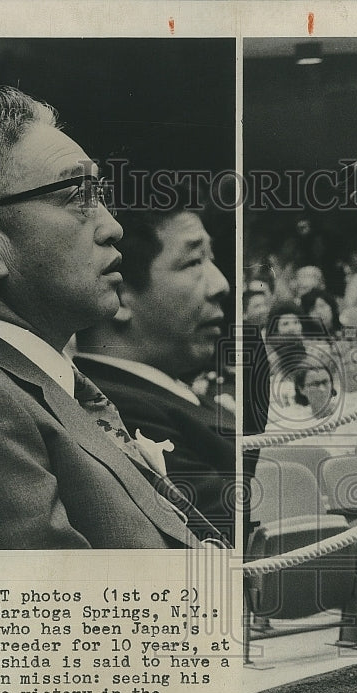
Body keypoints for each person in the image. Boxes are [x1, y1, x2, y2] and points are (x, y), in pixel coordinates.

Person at [0, 87, 206, 549]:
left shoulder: (28, 381)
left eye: (101, 194)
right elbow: (64, 614)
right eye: (77, 195)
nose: (113, 226)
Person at [73, 192, 235, 545]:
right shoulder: (115, 407)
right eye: (193, 262)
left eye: (212, 260)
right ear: (117, 295)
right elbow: (240, 534)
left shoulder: (160, 390)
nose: (220, 284)